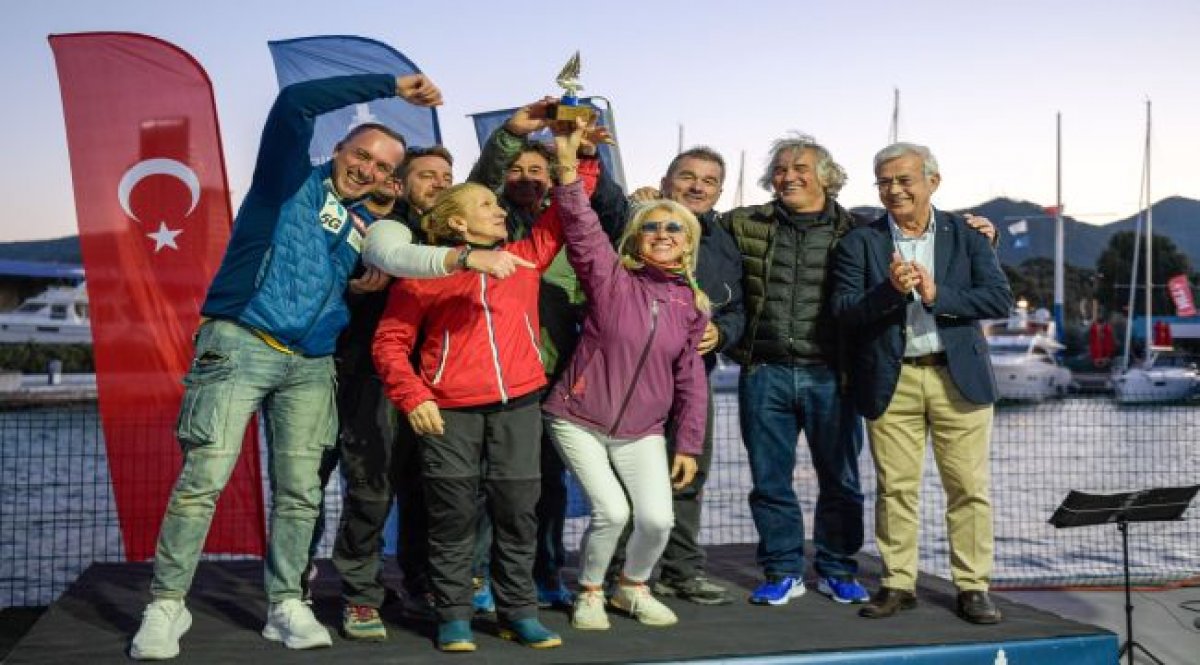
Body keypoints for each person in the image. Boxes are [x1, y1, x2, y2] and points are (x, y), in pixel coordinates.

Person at [128, 73, 447, 660]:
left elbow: (356, 271)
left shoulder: (363, 226)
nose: (368, 170)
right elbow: (294, 102)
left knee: (301, 494)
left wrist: (358, 284)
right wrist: (391, 85)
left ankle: (285, 605)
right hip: (241, 343)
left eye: (383, 168)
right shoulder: (288, 178)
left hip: (311, 364)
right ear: (339, 150)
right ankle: (166, 605)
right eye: (361, 156)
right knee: (202, 483)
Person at [372, 121, 597, 652]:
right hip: (449, 413)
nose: (500, 211)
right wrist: (414, 396)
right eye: (486, 205)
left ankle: (518, 612)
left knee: (517, 516)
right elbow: (389, 343)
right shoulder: (423, 274)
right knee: (451, 519)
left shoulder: (525, 258)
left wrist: (581, 157)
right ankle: (453, 616)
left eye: (497, 205)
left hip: (519, 407)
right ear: (456, 221)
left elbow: (568, 207)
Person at [829, 142, 1012, 624]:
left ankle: (972, 587)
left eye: (904, 179)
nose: (894, 189)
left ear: (933, 181)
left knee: (968, 488)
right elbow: (844, 311)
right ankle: (898, 584)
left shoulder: (969, 235)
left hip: (959, 379)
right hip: (892, 379)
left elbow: (998, 300)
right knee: (895, 489)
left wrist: (937, 295)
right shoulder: (859, 243)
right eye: (884, 181)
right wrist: (890, 291)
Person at [465, 99, 624, 612]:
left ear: (552, 179)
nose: (526, 178)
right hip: (498, 370)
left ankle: (546, 572)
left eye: (537, 170)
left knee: (547, 483)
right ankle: (480, 578)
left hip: (555, 371)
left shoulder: (568, 225)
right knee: (494, 483)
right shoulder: (493, 226)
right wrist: (510, 137)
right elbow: (481, 183)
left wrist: (584, 157)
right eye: (517, 170)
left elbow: (607, 215)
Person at [545, 193, 710, 631]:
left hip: (642, 429)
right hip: (577, 417)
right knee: (613, 512)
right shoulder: (611, 278)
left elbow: (691, 379)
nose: (662, 234)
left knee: (657, 520)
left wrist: (688, 445)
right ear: (636, 238)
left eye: (674, 228)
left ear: (688, 242)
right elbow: (583, 229)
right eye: (651, 227)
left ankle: (632, 587)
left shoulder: (692, 305)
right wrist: (569, 178)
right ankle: (590, 591)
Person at [721, 134, 872, 606]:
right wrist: (650, 201)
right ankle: (783, 571)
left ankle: (837, 569)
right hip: (764, 372)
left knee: (841, 481)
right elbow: (691, 230)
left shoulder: (859, 231)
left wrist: (977, 231)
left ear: (826, 177)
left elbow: (917, 233)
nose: (788, 176)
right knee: (769, 481)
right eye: (781, 169)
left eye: (800, 168)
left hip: (833, 376)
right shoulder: (743, 223)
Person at [326, 145, 456, 640]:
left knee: (426, 489)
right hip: (373, 379)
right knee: (372, 487)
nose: (439, 183)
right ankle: (361, 596)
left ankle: (421, 585)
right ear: (400, 185)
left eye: (447, 176)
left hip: (438, 381)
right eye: (427, 175)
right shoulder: (386, 232)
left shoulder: (455, 233)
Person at [608, 147, 744, 606]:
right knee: (626, 480)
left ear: (719, 191)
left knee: (687, 474)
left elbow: (739, 307)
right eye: (688, 176)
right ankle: (616, 576)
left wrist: (723, 333)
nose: (698, 186)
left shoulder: (725, 242)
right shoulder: (635, 222)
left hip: (693, 380)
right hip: (630, 382)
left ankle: (681, 571)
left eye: (709, 180)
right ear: (666, 181)